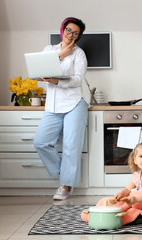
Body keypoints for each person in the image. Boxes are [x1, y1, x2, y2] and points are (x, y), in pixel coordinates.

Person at [33, 17, 87, 200]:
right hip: (53, 105)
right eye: (69, 30)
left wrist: (56, 81)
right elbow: (38, 72)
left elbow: (78, 79)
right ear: (62, 29)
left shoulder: (79, 54)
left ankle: (65, 185)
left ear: (78, 37)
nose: (71, 35)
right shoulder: (49, 50)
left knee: (71, 146)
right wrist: (62, 55)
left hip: (74, 104)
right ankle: (65, 171)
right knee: (40, 142)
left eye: (75, 33)